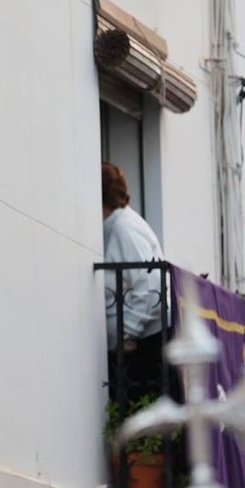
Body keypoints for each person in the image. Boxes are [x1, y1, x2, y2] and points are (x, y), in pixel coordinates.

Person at [102, 161, 165, 399]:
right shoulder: (120, 225)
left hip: (139, 352)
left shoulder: (123, 228)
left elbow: (150, 285)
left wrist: (127, 334)